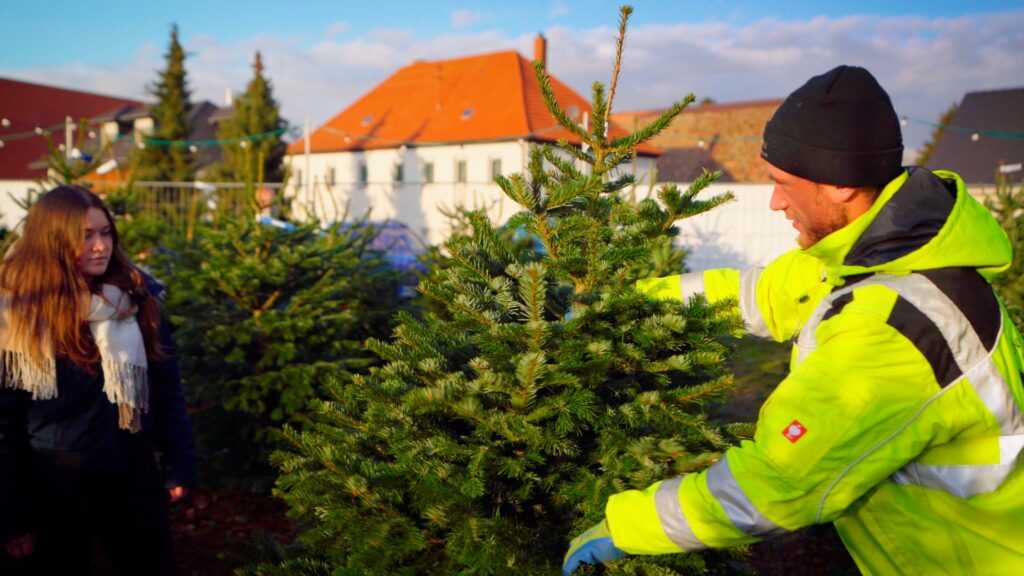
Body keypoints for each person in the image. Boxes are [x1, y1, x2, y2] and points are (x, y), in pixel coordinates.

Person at [563, 65, 1024, 575]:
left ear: (841, 186)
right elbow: (749, 294)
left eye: (784, 183)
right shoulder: (865, 254)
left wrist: (624, 526)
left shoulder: (893, 330)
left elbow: (774, 485)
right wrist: (627, 303)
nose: (775, 201)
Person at [0, 185, 197, 575]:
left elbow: (168, 390)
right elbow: (3, 426)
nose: (99, 246)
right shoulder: (17, 313)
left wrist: (179, 464)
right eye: (85, 235)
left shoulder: (137, 299)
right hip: (54, 484)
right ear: (53, 239)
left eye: (105, 233)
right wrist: (12, 514)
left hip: (132, 473)